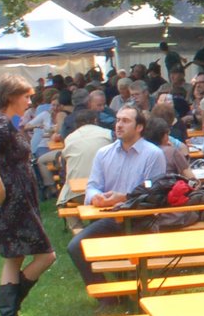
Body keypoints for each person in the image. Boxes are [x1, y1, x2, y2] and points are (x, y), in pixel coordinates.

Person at [0, 75, 57, 316]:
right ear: (11, 97)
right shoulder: (0, 121)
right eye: (26, 96)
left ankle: (8, 314)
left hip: (17, 201)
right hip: (14, 203)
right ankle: (6, 304)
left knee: (15, 257)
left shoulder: (0, 121)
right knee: (47, 256)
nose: (30, 101)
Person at [67, 106, 166, 286]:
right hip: (110, 217)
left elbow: (154, 191)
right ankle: (107, 296)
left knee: (131, 253)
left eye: (126, 121)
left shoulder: (153, 154)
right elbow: (92, 186)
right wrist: (96, 196)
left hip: (141, 219)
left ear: (139, 127)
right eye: (118, 120)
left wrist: (125, 197)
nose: (119, 125)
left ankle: (132, 288)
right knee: (75, 247)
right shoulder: (104, 153)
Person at [55, 108, 113, 207]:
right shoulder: (109, 134)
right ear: (95, 120)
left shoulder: (69, 138)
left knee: (66, 195)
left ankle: (74, 223)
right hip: (105, 191)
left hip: (76, 194)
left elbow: (64, 169)